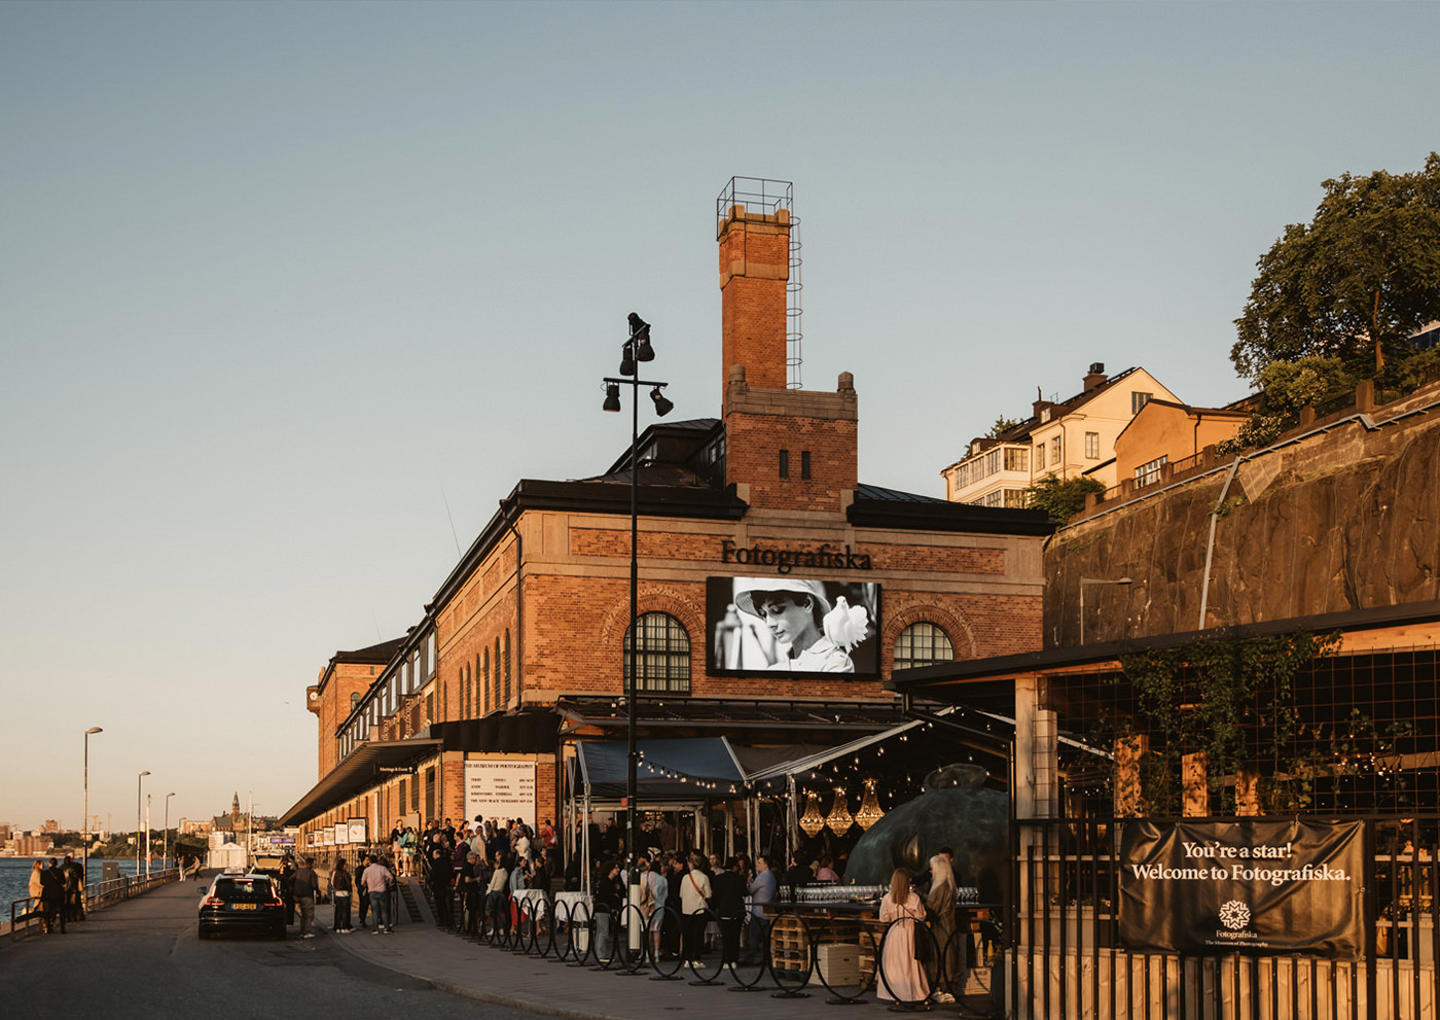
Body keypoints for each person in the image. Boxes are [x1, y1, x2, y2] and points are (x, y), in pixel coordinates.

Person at [731, 579, 865, 673]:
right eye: (764, 614)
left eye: (777, 610)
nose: (769, 623)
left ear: (807, 604)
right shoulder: (776, 669)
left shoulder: (835, 662)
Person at [878, 869, 929, 1005]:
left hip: (894, 933)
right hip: (910, 932)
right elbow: (921, 916)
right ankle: (913, 992)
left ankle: (893, 992)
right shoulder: (914, 898)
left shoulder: (888, 898)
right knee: (910, 964)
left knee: (894, 964)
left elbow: (883, 918)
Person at [926, 852, 959, 1004]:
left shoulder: (940, 887)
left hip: (941, 927)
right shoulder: (948, 885)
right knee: (947, 954)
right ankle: (947, 985)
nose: (930, 871)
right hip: (949, 925)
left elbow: (933, 908)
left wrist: (919, 895)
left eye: (932, 868)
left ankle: (943, 987)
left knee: (941, 955)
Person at [739, 854, 776, 966]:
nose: (758, 865)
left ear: (765, 864)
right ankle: (766, 958)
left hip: (759, 911)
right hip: (768, 910)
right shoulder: (772, 877)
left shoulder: (762, 877)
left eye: (759, 863)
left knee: (754, 937)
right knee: (765, 937)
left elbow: (750, 890)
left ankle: (750, 958)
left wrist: (748, 883)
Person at [679, 853, 712, 969]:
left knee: (687, 934)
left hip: (686, 909)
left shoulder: (685, 878)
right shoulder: (704, 878)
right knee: (698, 935)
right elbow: (708, 895)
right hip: (700, 909)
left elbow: (681, 894)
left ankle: (687, 959)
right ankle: (696, 958)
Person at [712, 857, 746, 966]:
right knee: (735, 936)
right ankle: (733, 959)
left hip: (723, 911)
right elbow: (745, 892)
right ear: (735, 867)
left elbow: (715, 896)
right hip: (737, 911)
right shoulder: (739, 879)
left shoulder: (718, 878)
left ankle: (726, 959)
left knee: (726, 936)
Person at [360, 855, 395, 934]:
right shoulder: (382, 868)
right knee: (384, 910)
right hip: (382, 891)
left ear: (370, 861)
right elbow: (391, 877)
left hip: (372, 891)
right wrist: (389, 884)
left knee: (375, 911)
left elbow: (362, 882)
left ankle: (375, 929)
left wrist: (367, 885)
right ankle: (386, 928)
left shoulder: (366, 870)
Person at [293, 856, 321, 938]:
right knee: (308, 914)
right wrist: (318, 891)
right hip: (308, 896)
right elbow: (314, 885)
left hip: (298, 896)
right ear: (311, 864)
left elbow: (290, 880)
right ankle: (307, 932)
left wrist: (293, 891)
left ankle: (302, 931)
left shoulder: (298, 871)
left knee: (303, 915)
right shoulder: (311, 873)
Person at [330, 858, 354, 933]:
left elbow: (332, 882)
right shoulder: (345, 873)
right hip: (345, 893)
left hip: (337, 893)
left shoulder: (335, 872)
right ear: (343, 865)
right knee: (345, 911)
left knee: (338, 911)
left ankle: (337, 927)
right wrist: (350, 892)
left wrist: (335, 889)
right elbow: (349, 884)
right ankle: (344, 927)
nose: (347, 866)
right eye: (346, 864)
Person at [355, 853, 371, 929]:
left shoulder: (369, 868)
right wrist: (362, 887)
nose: (368, 861)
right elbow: (357, 880)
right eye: (367, 860)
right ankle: (362, 919)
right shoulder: (359, 869)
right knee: (363, 905)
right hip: (363, 890)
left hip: (370, 889)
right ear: (363, 861)